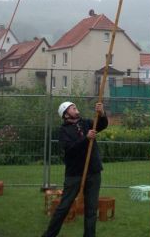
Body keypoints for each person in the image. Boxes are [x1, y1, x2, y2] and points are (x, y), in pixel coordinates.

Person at [42, 101, 108, 237]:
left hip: (93, 172)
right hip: (75, 174)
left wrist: (102, 114)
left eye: (75, 106)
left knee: (91, 209)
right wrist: (86, 138)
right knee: (64, 207)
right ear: (66, 114)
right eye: (72, 107)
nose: (75, 108)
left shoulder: (85, 123)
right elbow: (70, 149)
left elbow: (101, 125)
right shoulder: (64, 131)